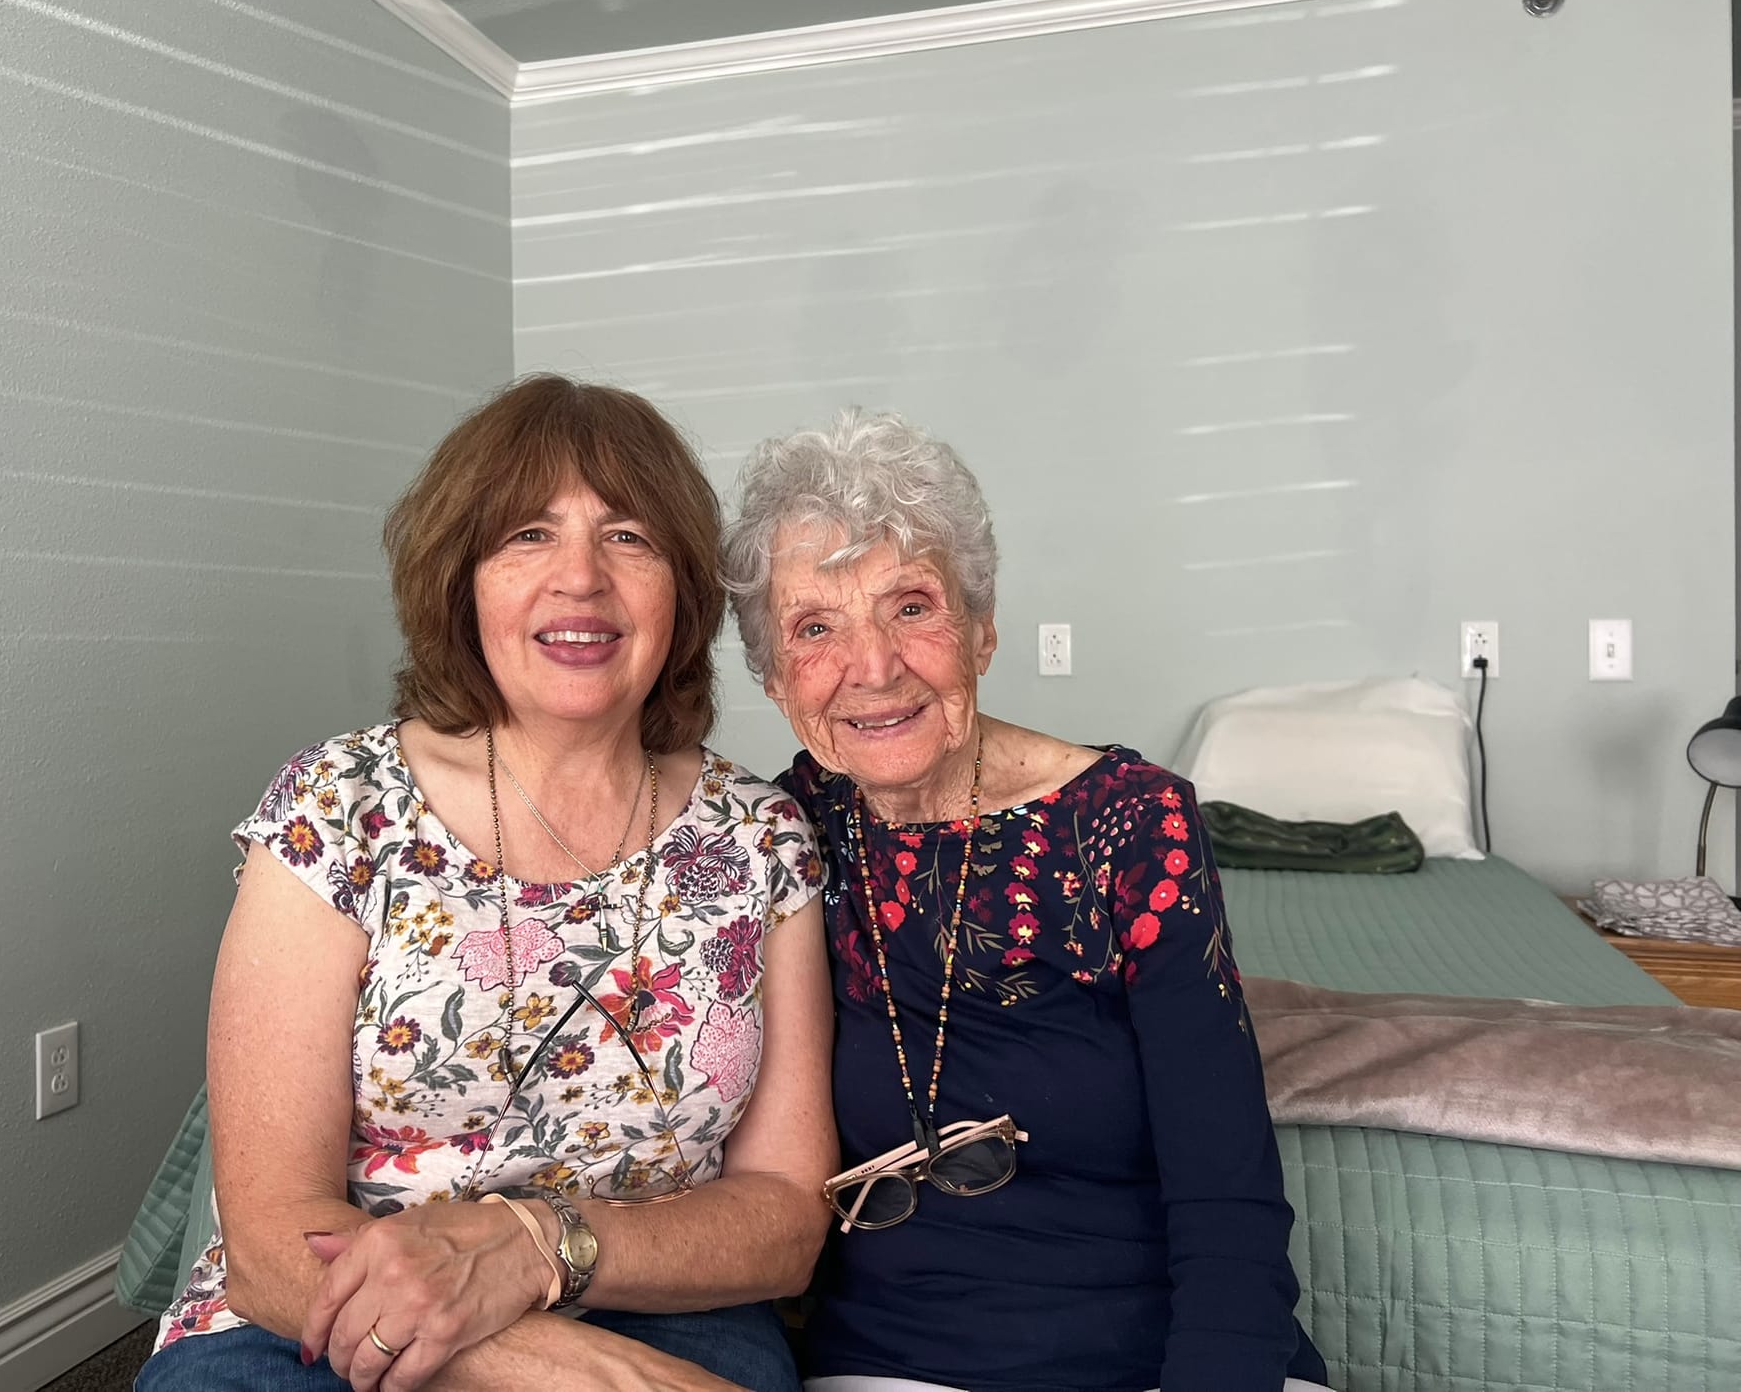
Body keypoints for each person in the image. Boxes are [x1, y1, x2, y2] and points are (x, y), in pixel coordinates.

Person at [138, 375, 834, 1392]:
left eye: (628, 537)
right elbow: (271, 1246)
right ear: (460, 581)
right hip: (332, 1314)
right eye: (526, 536)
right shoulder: (338, 808)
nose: (580, 581)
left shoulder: (762, 839)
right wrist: (573, 1371)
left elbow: (781, 1217)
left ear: (682, 587)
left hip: (661, 1303)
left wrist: (533, 1251)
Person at [721, 410, 1331, 1392]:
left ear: (983, 629)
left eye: (910, 607)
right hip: (898, 1363)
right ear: (772, 677)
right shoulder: (780, 836)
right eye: (814, 628)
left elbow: (1227, 1186)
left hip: (1161, 1352)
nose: (871, 666)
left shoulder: (1132, 826)